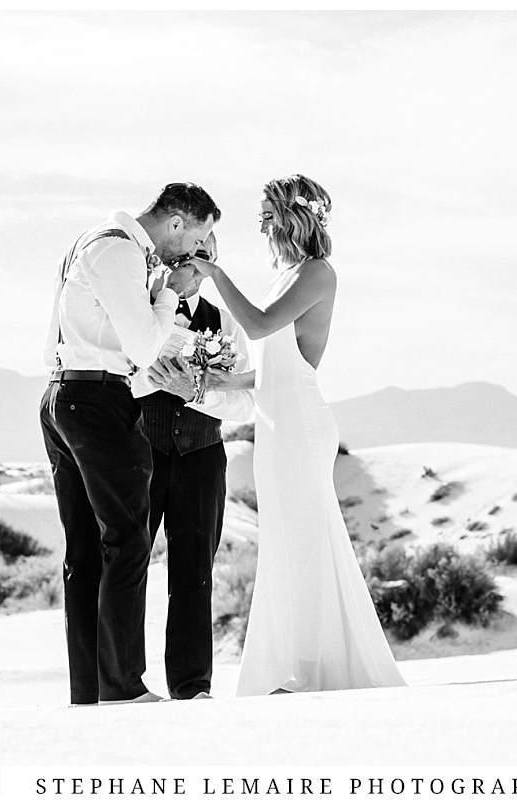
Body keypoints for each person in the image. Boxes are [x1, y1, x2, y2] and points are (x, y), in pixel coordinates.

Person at [188, 174, 406, 696]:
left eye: (267, 212)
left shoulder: (317, 274)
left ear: (292, 215)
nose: (261, 222)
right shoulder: (285, 275)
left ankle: (313, 668)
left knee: (307, 541)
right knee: (288, 542)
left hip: (301, 426)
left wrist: (215, 274)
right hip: (273, 421)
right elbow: (270, 368)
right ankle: (294, 666)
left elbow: (261, 328)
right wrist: (213, 380)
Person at [39, 182, 219, 706]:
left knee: (87, 550)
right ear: (178, 223)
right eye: (197, 239)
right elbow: (145, 344)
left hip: (64, 394)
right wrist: (170, 294)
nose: (193, 254)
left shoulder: (90, 243)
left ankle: (90, 688)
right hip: (96, 402)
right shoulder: (118, 249)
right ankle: (121, 686)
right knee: (127, 540)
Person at [130, 232, 255, 700]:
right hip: (141, 454)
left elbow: (245, 403)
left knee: (194, 573)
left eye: (194, 259)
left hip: (202, 457)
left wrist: (198, 393)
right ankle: (123, 681)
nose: (181, 267)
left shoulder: (224, 323)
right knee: (127, 565)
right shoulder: (138, 314)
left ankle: (191, 686)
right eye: (174, 258)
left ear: (210, 262)